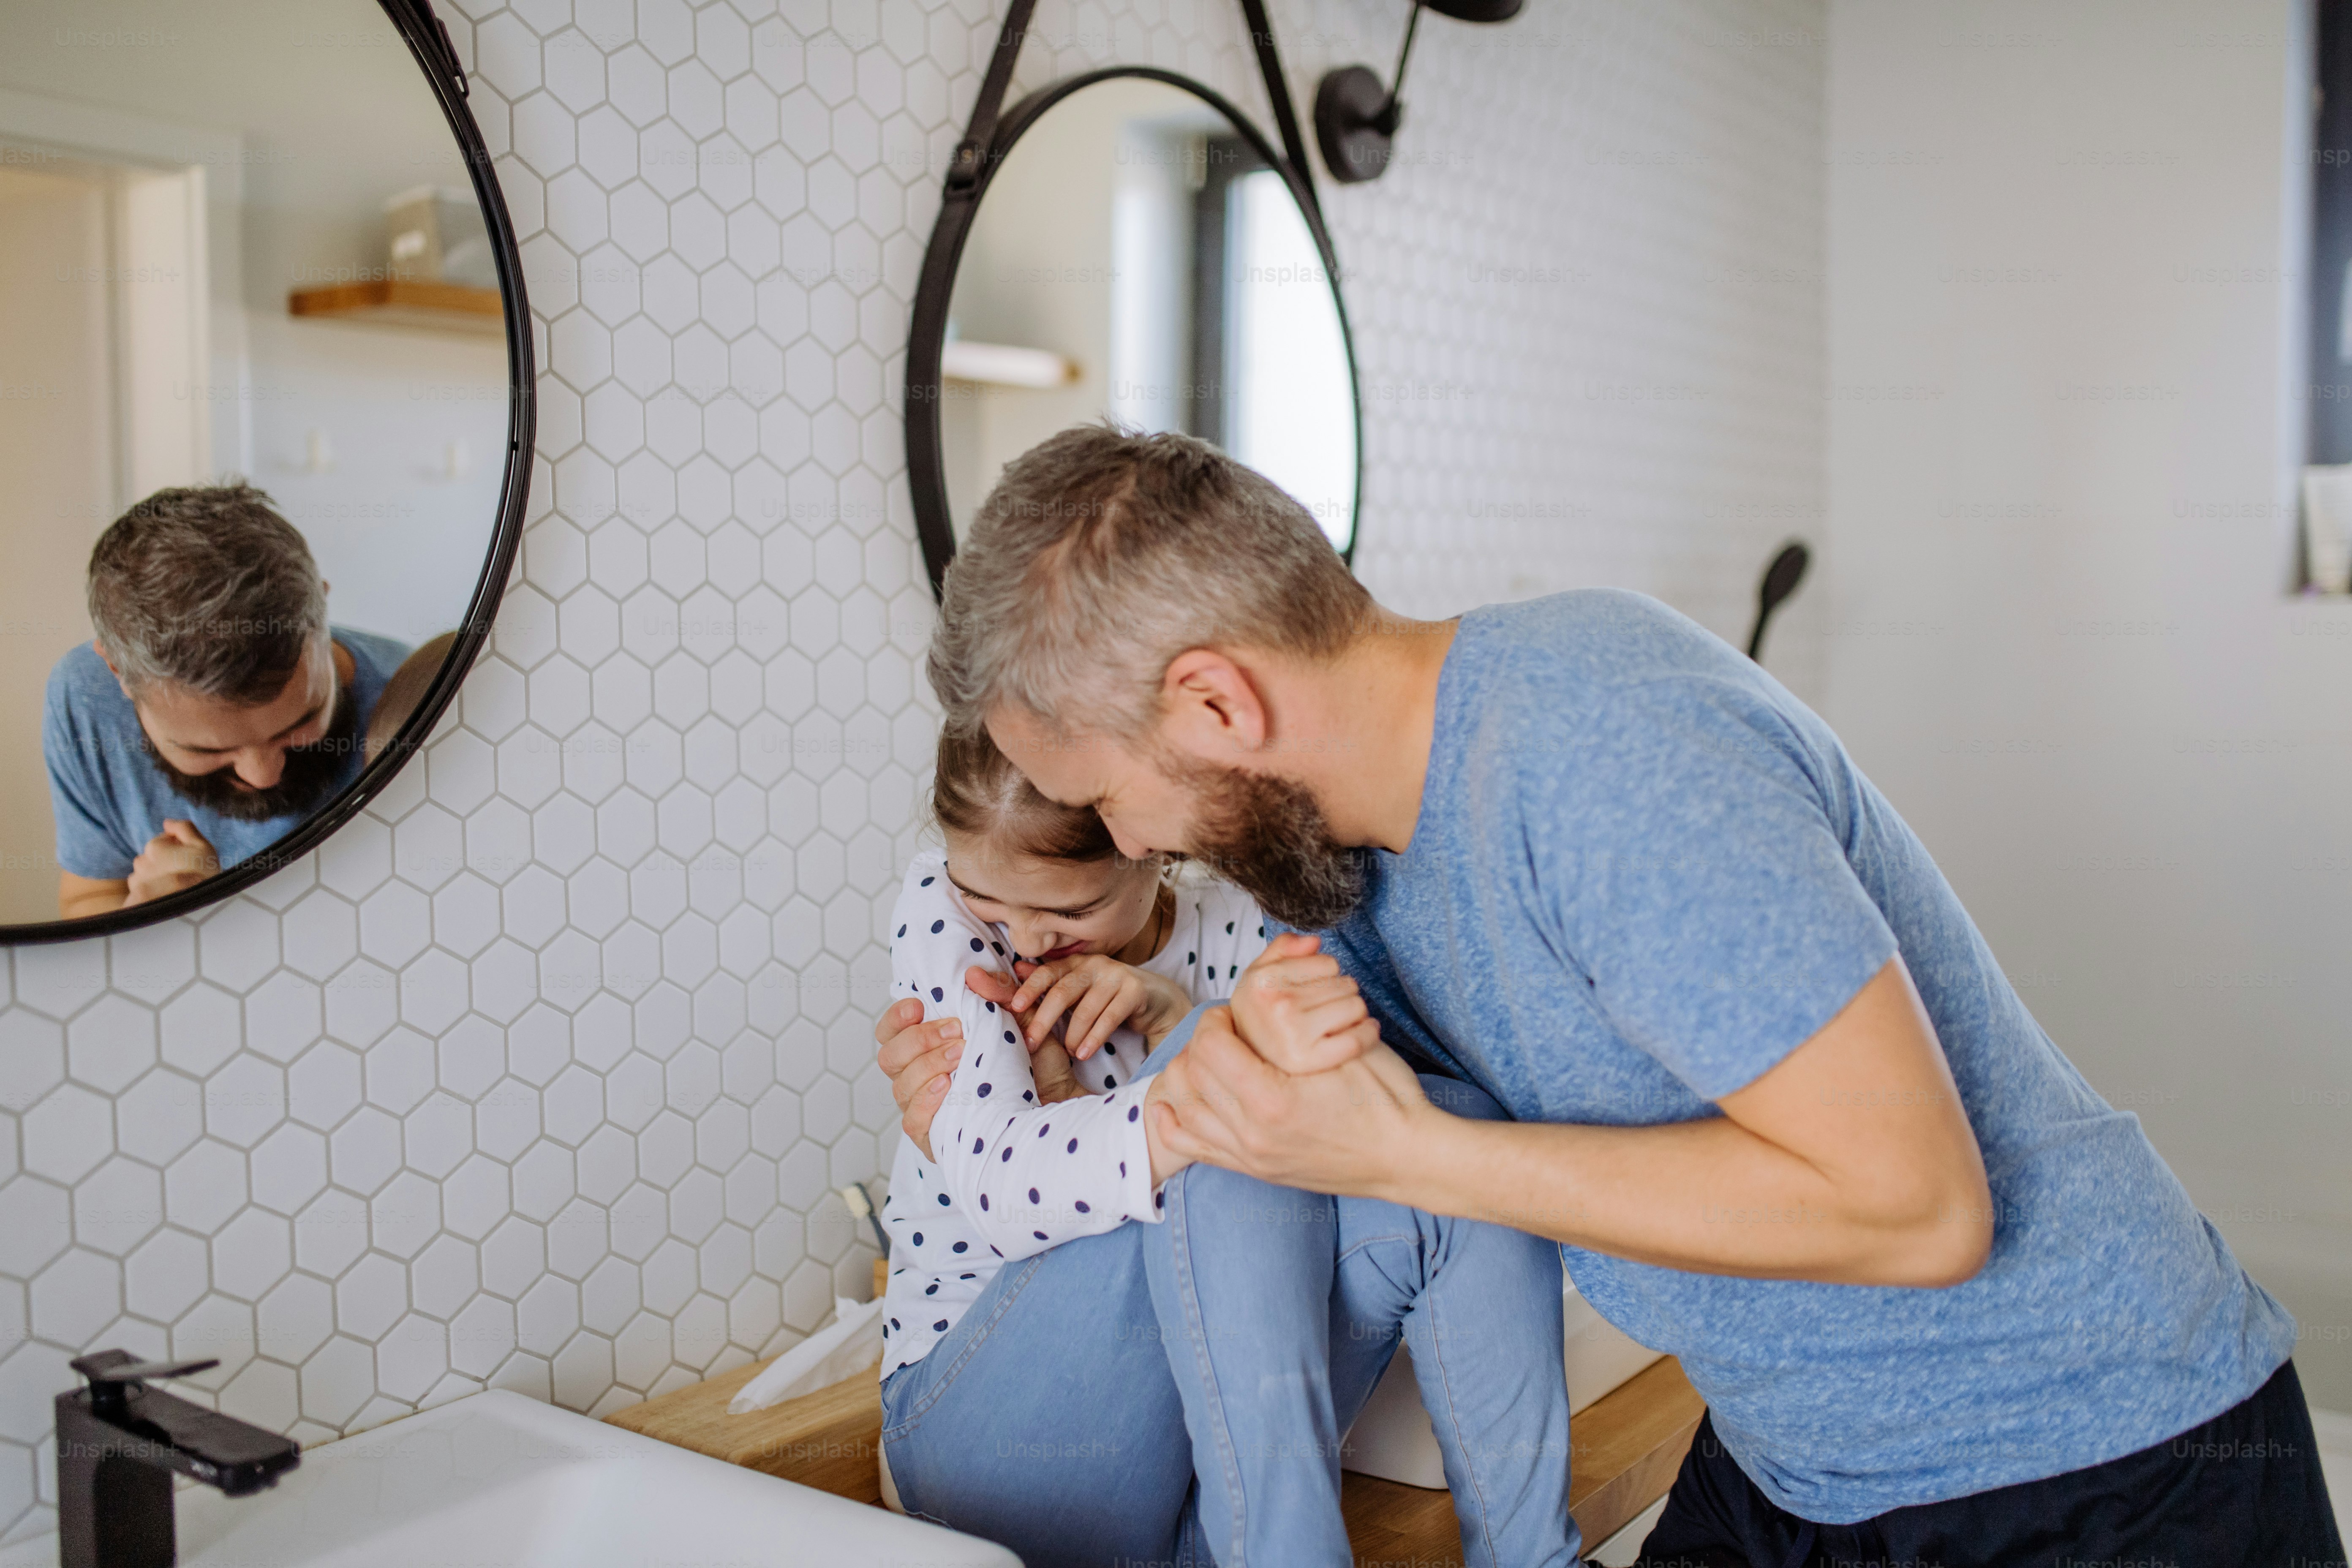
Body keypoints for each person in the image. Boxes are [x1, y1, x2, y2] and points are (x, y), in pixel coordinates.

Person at [877, 425, 2344, 1566]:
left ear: (1212, 705)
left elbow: (1917, 1210)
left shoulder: (1591, 744)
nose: (1130, 847)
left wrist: (1402, 1153)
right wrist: (1160, 1038)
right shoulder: (1336, 863)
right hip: (1799, 1468)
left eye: (1108, 799)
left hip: (2093, 1465)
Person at [875, 730, 1578, 1568]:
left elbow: (1338, 1136)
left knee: (1461, 1133)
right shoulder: (945, 907)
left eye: (1071, 912)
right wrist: (1196, 1066)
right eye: (992, 905)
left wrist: (1174, 1022)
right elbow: (999, 1188)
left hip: (1183, 1478)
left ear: (1151, 849)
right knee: (1234, 1064)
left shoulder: (1243, 920)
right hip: (979, 1441)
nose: (1024, 942)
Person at [44, 484, 408, 919]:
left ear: (323, 617)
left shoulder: (416, 697)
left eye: (301, 720)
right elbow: (87, 900)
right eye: (208, 749)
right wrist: (149, 916)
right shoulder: (85, 700)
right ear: (118, 672)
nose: (264, 775)